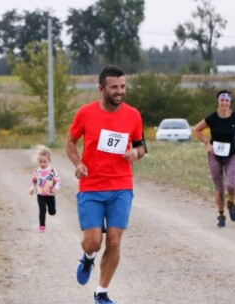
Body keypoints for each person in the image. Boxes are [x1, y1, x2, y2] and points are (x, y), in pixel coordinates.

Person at [65, 65, 146, 304]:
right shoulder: (85, 113)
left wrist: (135, 152)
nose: (119, 91)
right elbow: (70, 142)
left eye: (122, 86)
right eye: (114, 87)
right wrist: (78, 163)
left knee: (114, 239)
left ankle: (101, 292)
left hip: (121, 186)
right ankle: (88, 256)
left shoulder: (133, 115)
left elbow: (141, 146)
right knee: (93, 242)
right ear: (101, 89)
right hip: (91, 186)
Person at [193, 90, 235, 228]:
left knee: (231, 185)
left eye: (227, 100)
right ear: (218, 101)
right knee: (219, 188)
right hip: (214, 156)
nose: (224, 103)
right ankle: (221, 215)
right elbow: (197, 130)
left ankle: (231, 203)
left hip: (231, 156)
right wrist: (207, 144)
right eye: (222, 100)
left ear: (230, 102)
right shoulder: (211, 118)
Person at [29, 145, 61, 233]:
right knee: (42, 209)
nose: (42, 164)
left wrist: (56, 188)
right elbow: (33, 181)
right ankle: (42, 226)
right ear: (37, 161)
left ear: (49, 160)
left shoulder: (52, 171)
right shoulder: (36, 171)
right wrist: (32, 188)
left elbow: (58, 181)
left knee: (52, 212)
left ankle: (52, 210)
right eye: (40, 162)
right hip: (40, 194)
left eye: (44, 162)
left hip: (50, 194)